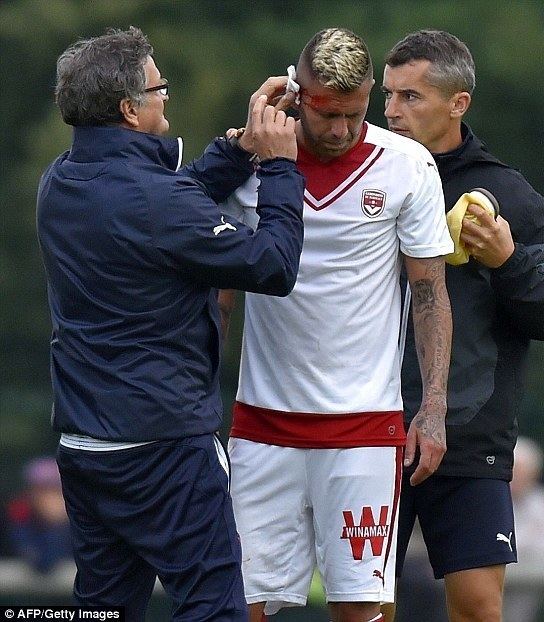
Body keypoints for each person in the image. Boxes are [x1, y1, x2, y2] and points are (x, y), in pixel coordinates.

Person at [36, 26, 304, 622]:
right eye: (161, 88)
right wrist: (281, 167)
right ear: (131, 110)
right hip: (163, 447)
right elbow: (273, 264)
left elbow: (161, 209)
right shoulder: (156, 202)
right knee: (211, 609)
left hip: (84, 444)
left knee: (103, 609)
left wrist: (235, 152)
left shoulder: (60, 180)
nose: (167, 98)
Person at [222, 27, 454, 622]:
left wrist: (432, 409)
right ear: (297, 95)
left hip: (363, 431)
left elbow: (429, 292)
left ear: (370, 96)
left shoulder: (406, 164)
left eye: (353, 114)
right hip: (261, 425)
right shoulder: (245, 159)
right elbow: (214, 290)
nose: (338, 130)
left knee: (362, 610)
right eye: (325, 113)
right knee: (240, 605)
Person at [380, 30, 544, 622]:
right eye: (387, 96)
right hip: (367, 420)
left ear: (457, 103)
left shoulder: (509, 194)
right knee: (363, 605)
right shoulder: (363, 179)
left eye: (411, 97)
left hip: (468, 430)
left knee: (477, 606)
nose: (390, 111)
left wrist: (506, 261)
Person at [505, 437, 544, 622]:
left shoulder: (543, 501)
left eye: (524, 471)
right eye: (515, 470)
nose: (518, 476)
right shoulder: (487, 500)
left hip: (530, 583)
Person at [6, 457, 73, 573]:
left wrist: (63, 523)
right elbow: (42, 562)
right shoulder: (20, 518)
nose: (49, 498)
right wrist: (56, 525)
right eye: (43, 490)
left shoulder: (84, 523)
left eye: (55, 490)